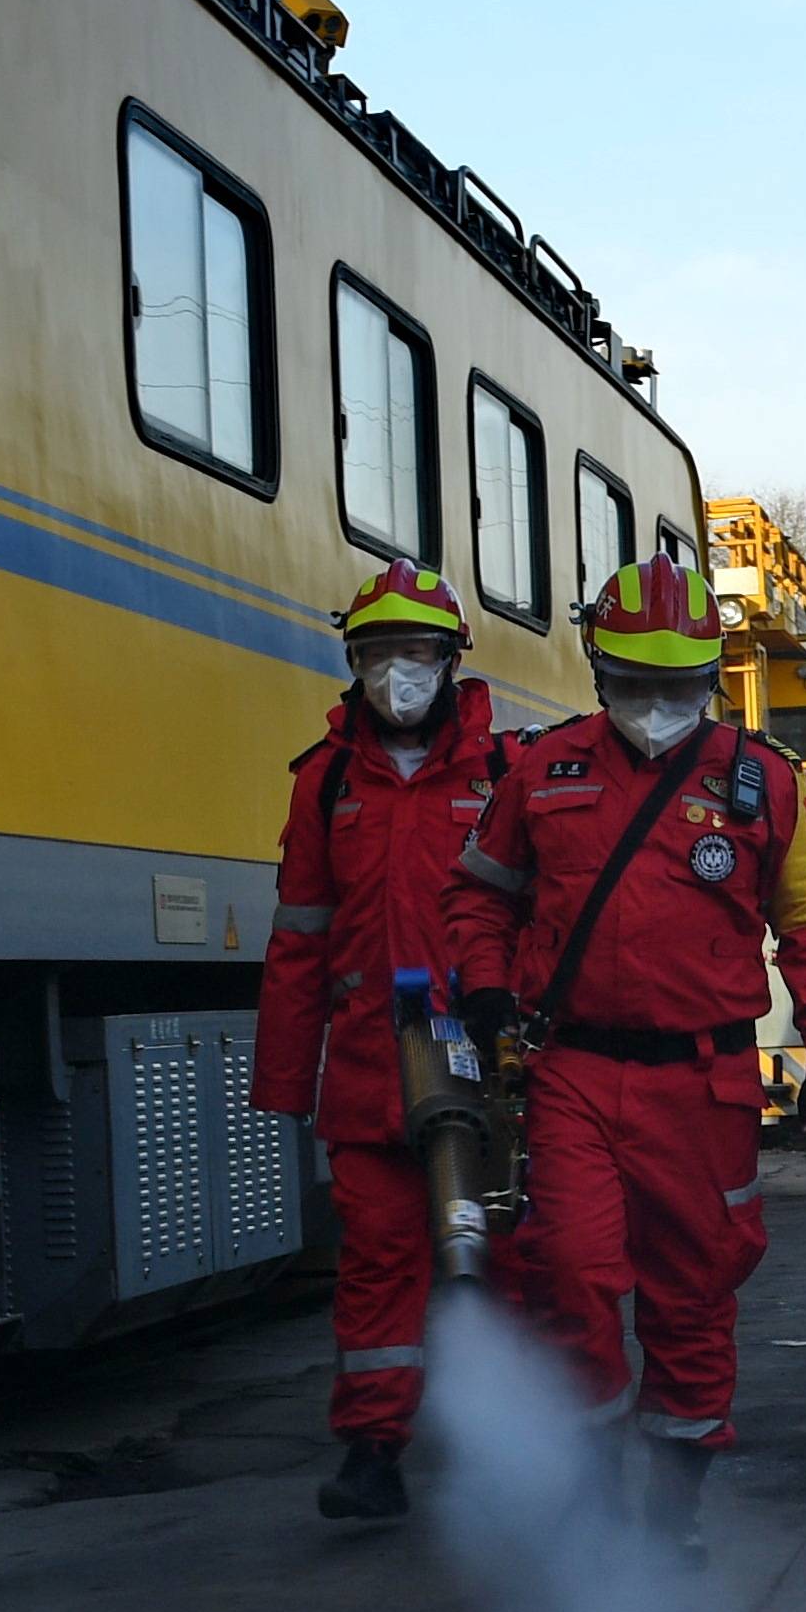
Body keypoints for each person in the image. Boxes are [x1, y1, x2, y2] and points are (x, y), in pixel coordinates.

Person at [446, 552, 806, 1560]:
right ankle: (590, 1488)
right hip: (574, 1070)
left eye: (679, 684)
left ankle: (673, 1506)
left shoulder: (763, 782)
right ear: (601, 671)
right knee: (572, 1273)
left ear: (708, 674)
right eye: (639, 683)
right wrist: (486, 979)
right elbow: (479, 896)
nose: (659, 703)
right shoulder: (542, 771)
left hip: (704, 1084)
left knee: (694, 1289)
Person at [252, 561, 512, 1524]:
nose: (398, 672)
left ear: (450, 662)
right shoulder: (324, 784)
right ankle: (373, 1447)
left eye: (416, 653)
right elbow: (299, 939)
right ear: (353, 662)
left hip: (486, 1059)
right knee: (380, 1259)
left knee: (510, 1257)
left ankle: (516, 1439)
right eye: (379, 654)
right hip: (368, 1067)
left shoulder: (504, 771)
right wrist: (283, 1081)